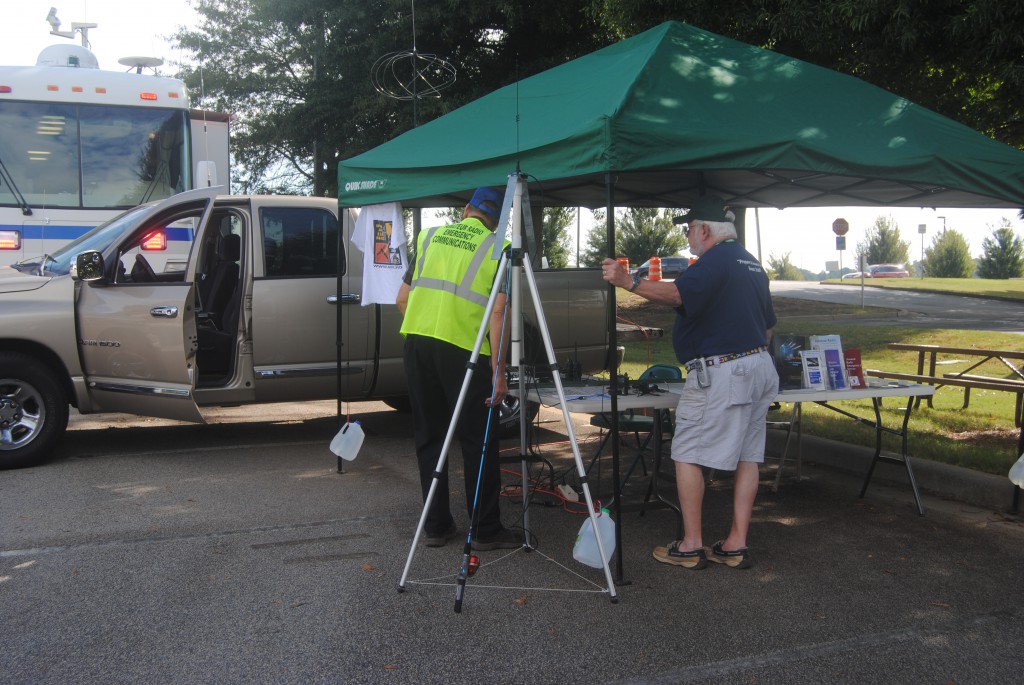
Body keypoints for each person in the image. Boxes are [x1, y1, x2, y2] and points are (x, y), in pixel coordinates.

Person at [600, 195, 778, 570]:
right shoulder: (751, 264)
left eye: (688, 229)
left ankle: (691, 545)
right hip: (759, 365)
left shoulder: (715, 261)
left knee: (686, 451)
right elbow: (768, 325)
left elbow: (677, 293)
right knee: (749, 456)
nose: (687, 237)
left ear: (705, 230)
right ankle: (735, 544)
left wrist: (627, 280)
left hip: (724, 370)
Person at [396, 186, 525, 551]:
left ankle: (436, 526)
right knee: (478, 440)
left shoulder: (429, 237)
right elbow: (498, 313)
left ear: (467, 209)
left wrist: (429, 327)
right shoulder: (498, 250)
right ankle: (485, 529)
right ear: (498, 222)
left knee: (430, 438)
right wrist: (499, 371)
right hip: (465, 352)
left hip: (419, 344)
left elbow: (402, 299)